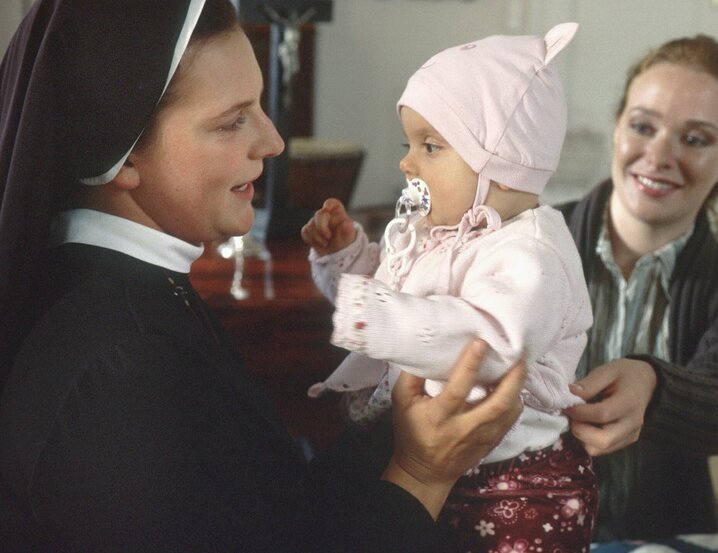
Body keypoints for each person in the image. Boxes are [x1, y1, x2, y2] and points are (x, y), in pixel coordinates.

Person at [0, 1, 526, 551]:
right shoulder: (122, 369)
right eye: (233, 121)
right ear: (124, 155)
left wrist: (400, 427)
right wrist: (421, 476)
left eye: (259, 108)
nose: (273, 142)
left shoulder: (136, 287)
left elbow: (269, 508)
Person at [302, 28, 598, 553]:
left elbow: (490, 342)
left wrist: (373, 316)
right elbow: (397, 294)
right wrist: (346, 258)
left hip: (514, 484)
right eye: (409, 144)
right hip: (445, 462)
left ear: (503, 167)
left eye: (431, 146)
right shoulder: (443, 229)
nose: (407, 163)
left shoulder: (531, 254)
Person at [557, 35, 718, 541]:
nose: (659, 154)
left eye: (695, 139)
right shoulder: (526, 243)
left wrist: (654, 386)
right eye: (643, 126)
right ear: (618, 128)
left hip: (664, 538)